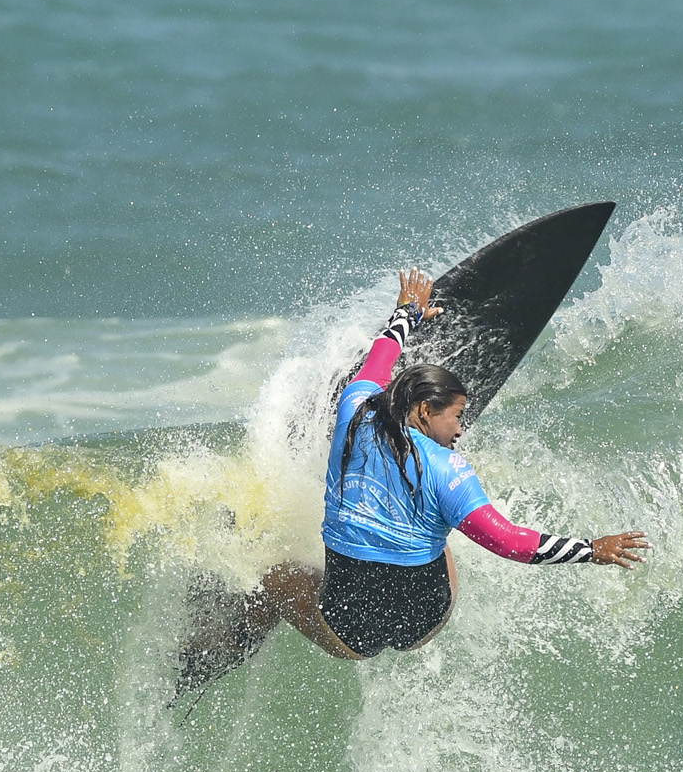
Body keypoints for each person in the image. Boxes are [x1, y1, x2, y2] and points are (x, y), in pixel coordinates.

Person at [240, 267, 648, 663]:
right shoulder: (450, 470)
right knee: (440, 526)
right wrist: (591, 550)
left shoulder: (353, 409)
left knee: (276, 579)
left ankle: (226, 644)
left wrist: (407, 312)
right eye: (456, 416)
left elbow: (380, 360)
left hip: (349, 632)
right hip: (424, 620)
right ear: (424, 410)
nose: (460, 428)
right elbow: (508, 542)